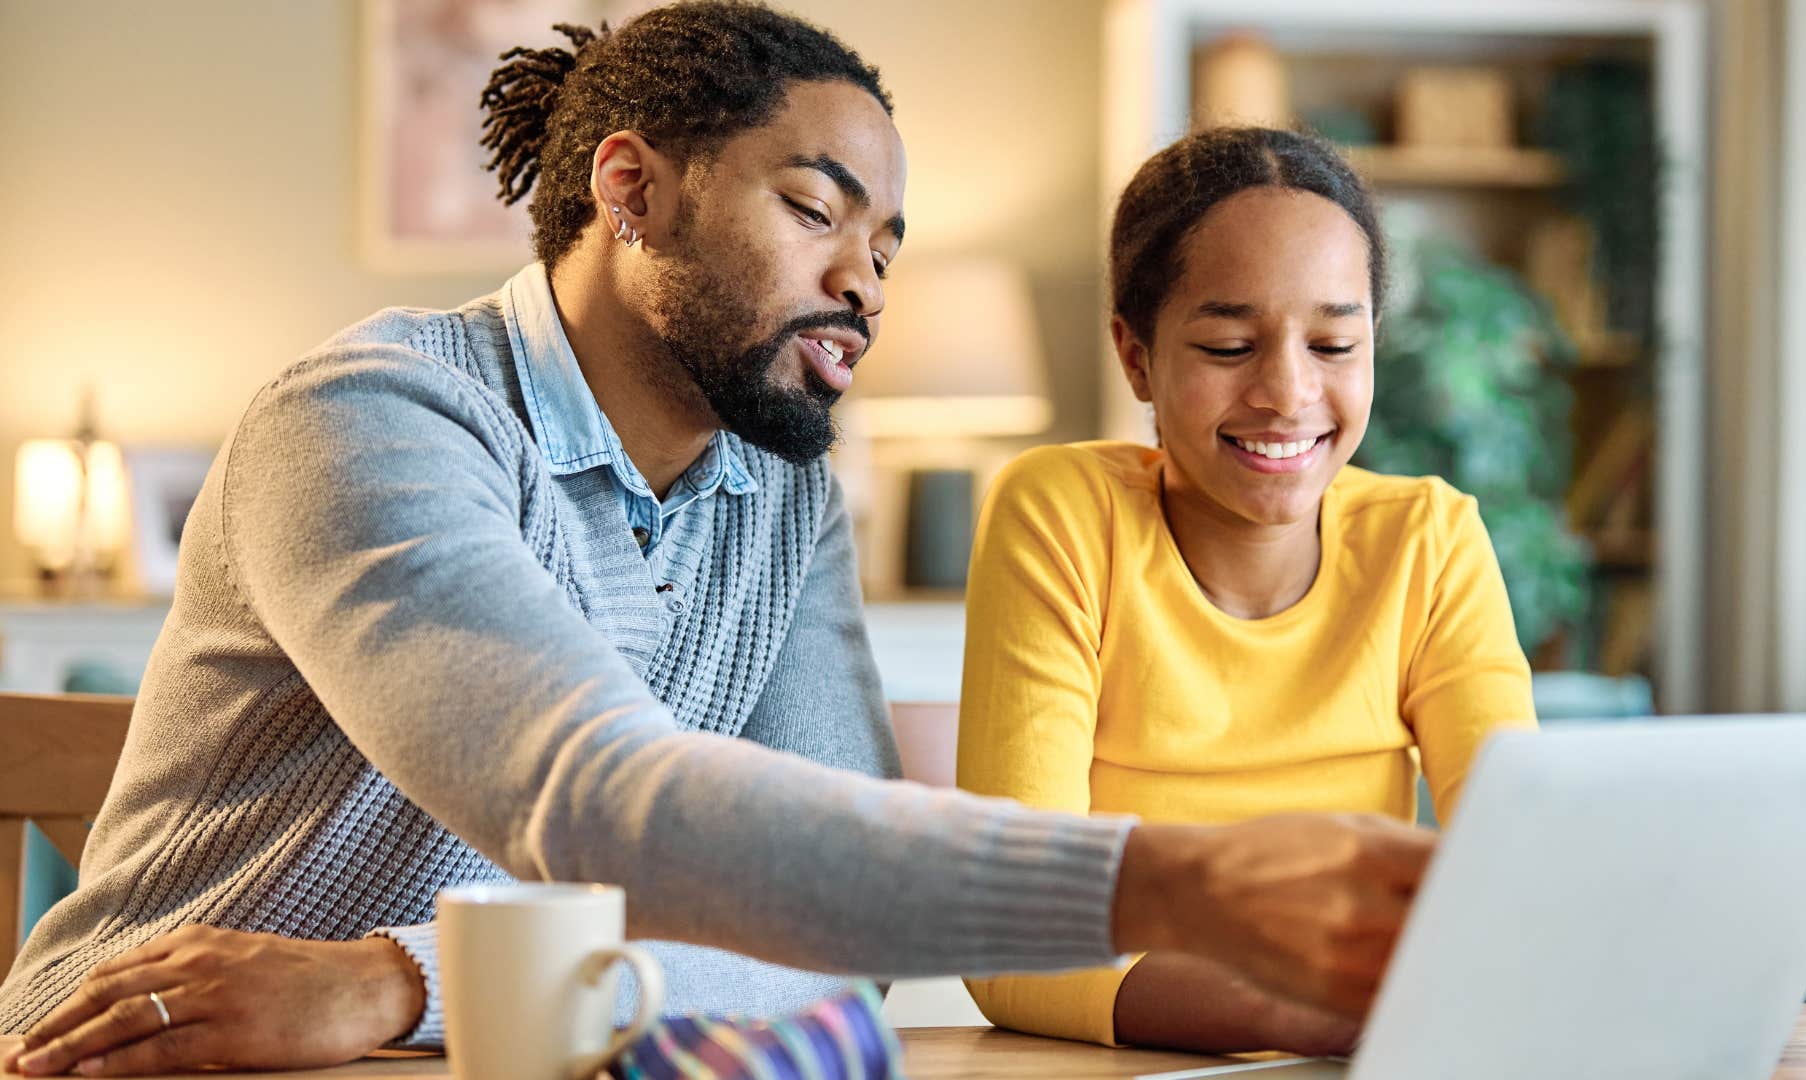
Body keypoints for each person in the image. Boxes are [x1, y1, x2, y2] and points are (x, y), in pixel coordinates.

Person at [1, 9, 1436, 1078]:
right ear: (632, 192)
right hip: (143, 1051)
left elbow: (832, 942)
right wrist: (1176, 883)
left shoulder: (777, 493)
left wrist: (398, 982)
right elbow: (594, 795)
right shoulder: (377, 422)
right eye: (816, 210)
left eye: (884, 247)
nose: (862, 285)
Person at [957, 127, 1537, 1055]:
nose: (1288, 392)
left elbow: (1523, 864)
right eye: (1230, 345)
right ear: (1137, 357)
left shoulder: (1429, 539)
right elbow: (1016, 934)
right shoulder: (1061, 516)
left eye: (1335, 342)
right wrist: (1303, 1015)